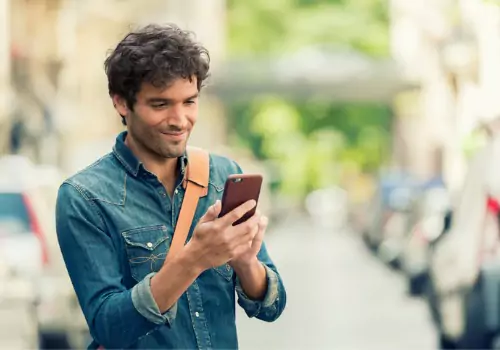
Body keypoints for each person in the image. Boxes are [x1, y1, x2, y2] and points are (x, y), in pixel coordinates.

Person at [55, 24, 286, 349]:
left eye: (189, 102)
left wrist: (246, 262)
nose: (180, 119)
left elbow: (272, 307)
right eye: (161, 105)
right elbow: (108, 326)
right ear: (122, 103)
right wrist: (194, 259)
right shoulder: (84, 197)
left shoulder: (223, 175)